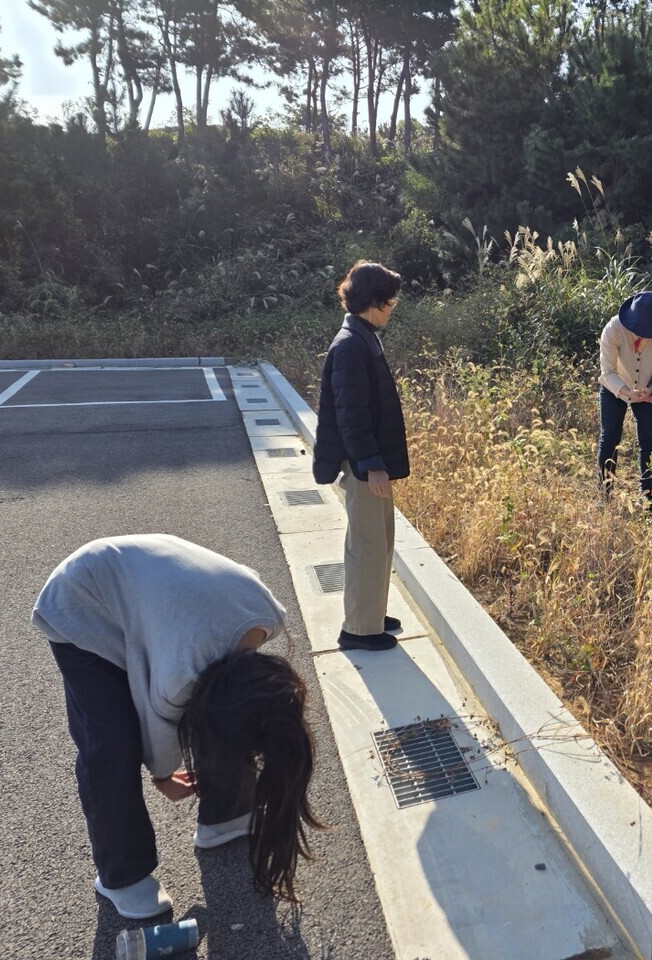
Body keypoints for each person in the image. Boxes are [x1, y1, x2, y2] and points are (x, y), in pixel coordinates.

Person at [32, 535, 324, 919]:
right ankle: (121, 875)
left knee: (229, 709)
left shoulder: (267, 614)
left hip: (148, 596)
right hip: (84, 598)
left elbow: (230, 704)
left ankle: (227, 815)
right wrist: (163, 777)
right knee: (111, 742)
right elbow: (157, 721)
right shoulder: (180, 675)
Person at [313, 260, 411, 651]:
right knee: (367, 545)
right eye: (391, 299)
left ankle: (371, 614)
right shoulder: (352, 344)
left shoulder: (361, 334)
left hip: (371, 462)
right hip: (363, 465)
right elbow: (352, 416)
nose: (394, 305)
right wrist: (370, 465)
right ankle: (357, 629)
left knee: (380, 541)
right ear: (375, 300)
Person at [597, 290, 652, 512]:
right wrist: (626, 392)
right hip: (615, 386)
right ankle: (604, 494)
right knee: (610, 437)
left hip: (648, 388)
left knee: (649, 440)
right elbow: (608, 370)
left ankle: (648, 496)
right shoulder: (613, 329)